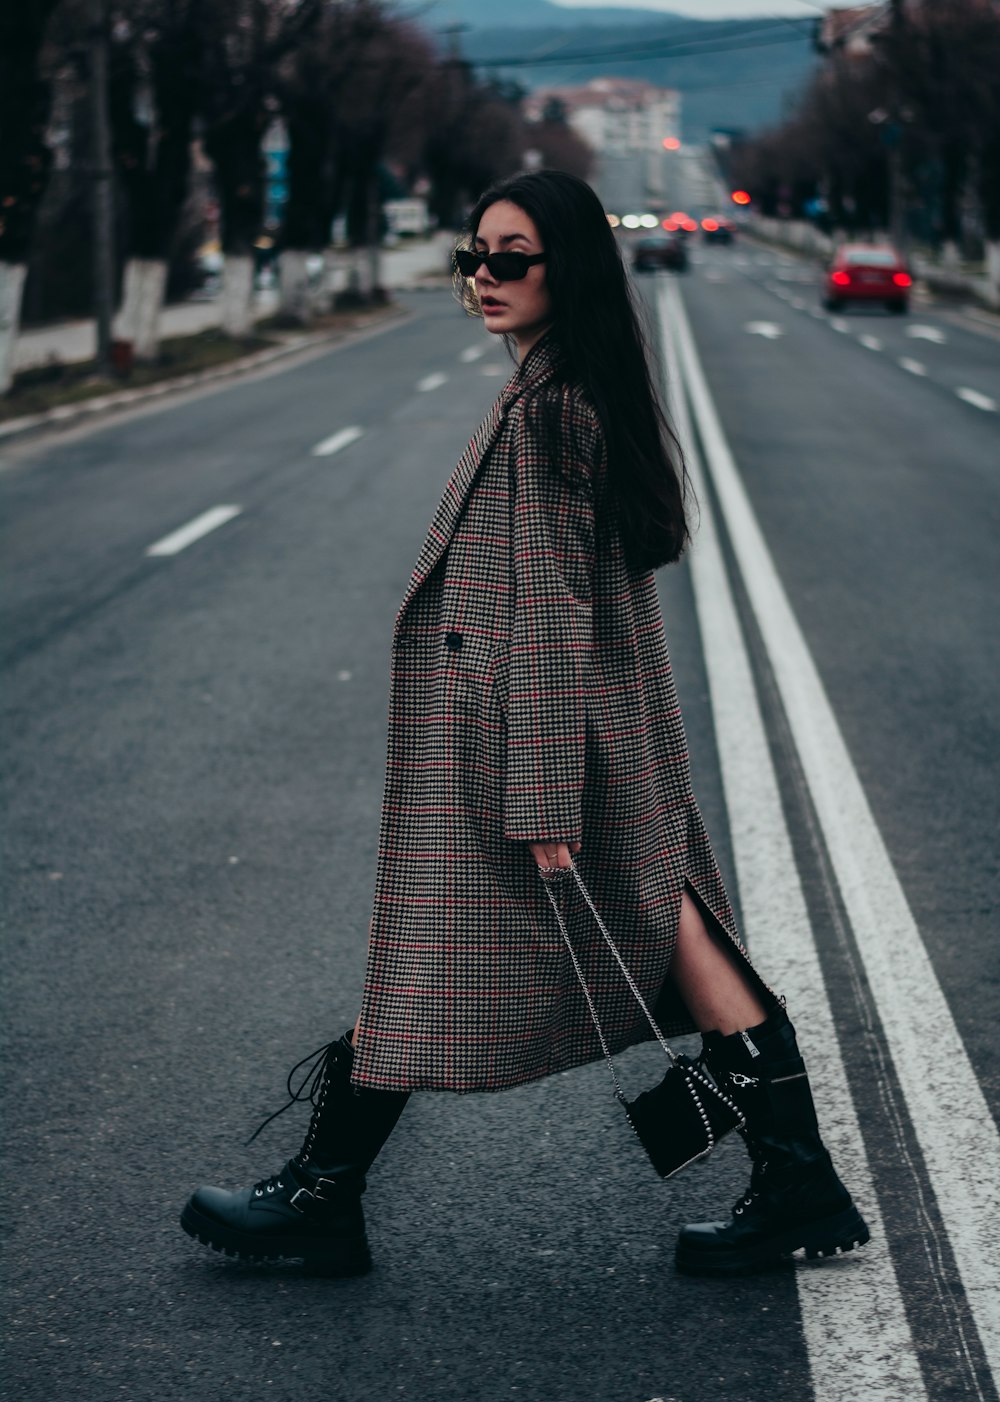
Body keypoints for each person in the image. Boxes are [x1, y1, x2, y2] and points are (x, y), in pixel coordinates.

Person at [180, 170, 869, 1279]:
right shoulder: (565, 393)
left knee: (430, 963)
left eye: (512, 258)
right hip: (593, 738)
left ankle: (322, 1197)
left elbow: (547, 618)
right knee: (672, 943)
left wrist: (541, 796)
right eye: (474, 257)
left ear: (570, 271)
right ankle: (794, 1179)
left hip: (539, 748)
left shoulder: (553, 414)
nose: (484, 277)